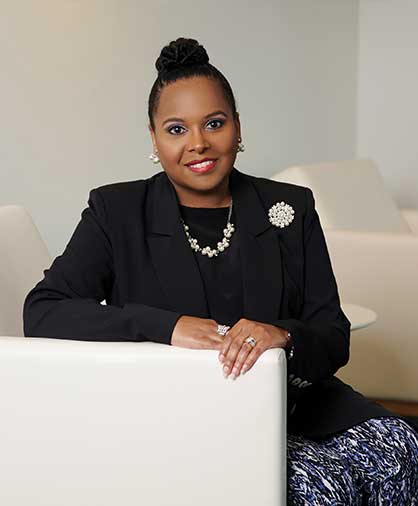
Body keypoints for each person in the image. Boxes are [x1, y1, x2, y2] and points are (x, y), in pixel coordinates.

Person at [23, 37, 417, 505]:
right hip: (182, 418)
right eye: (175, 129)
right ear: (153, 138)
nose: (198, 144)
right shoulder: (118, 211)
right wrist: (166, 327)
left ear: (237, 127)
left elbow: (333, 334)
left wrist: (283, 335)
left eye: (214, 123)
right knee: (311, 489)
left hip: (297, 404)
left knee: (403, 448)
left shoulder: (289, 206)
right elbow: (44, 312)